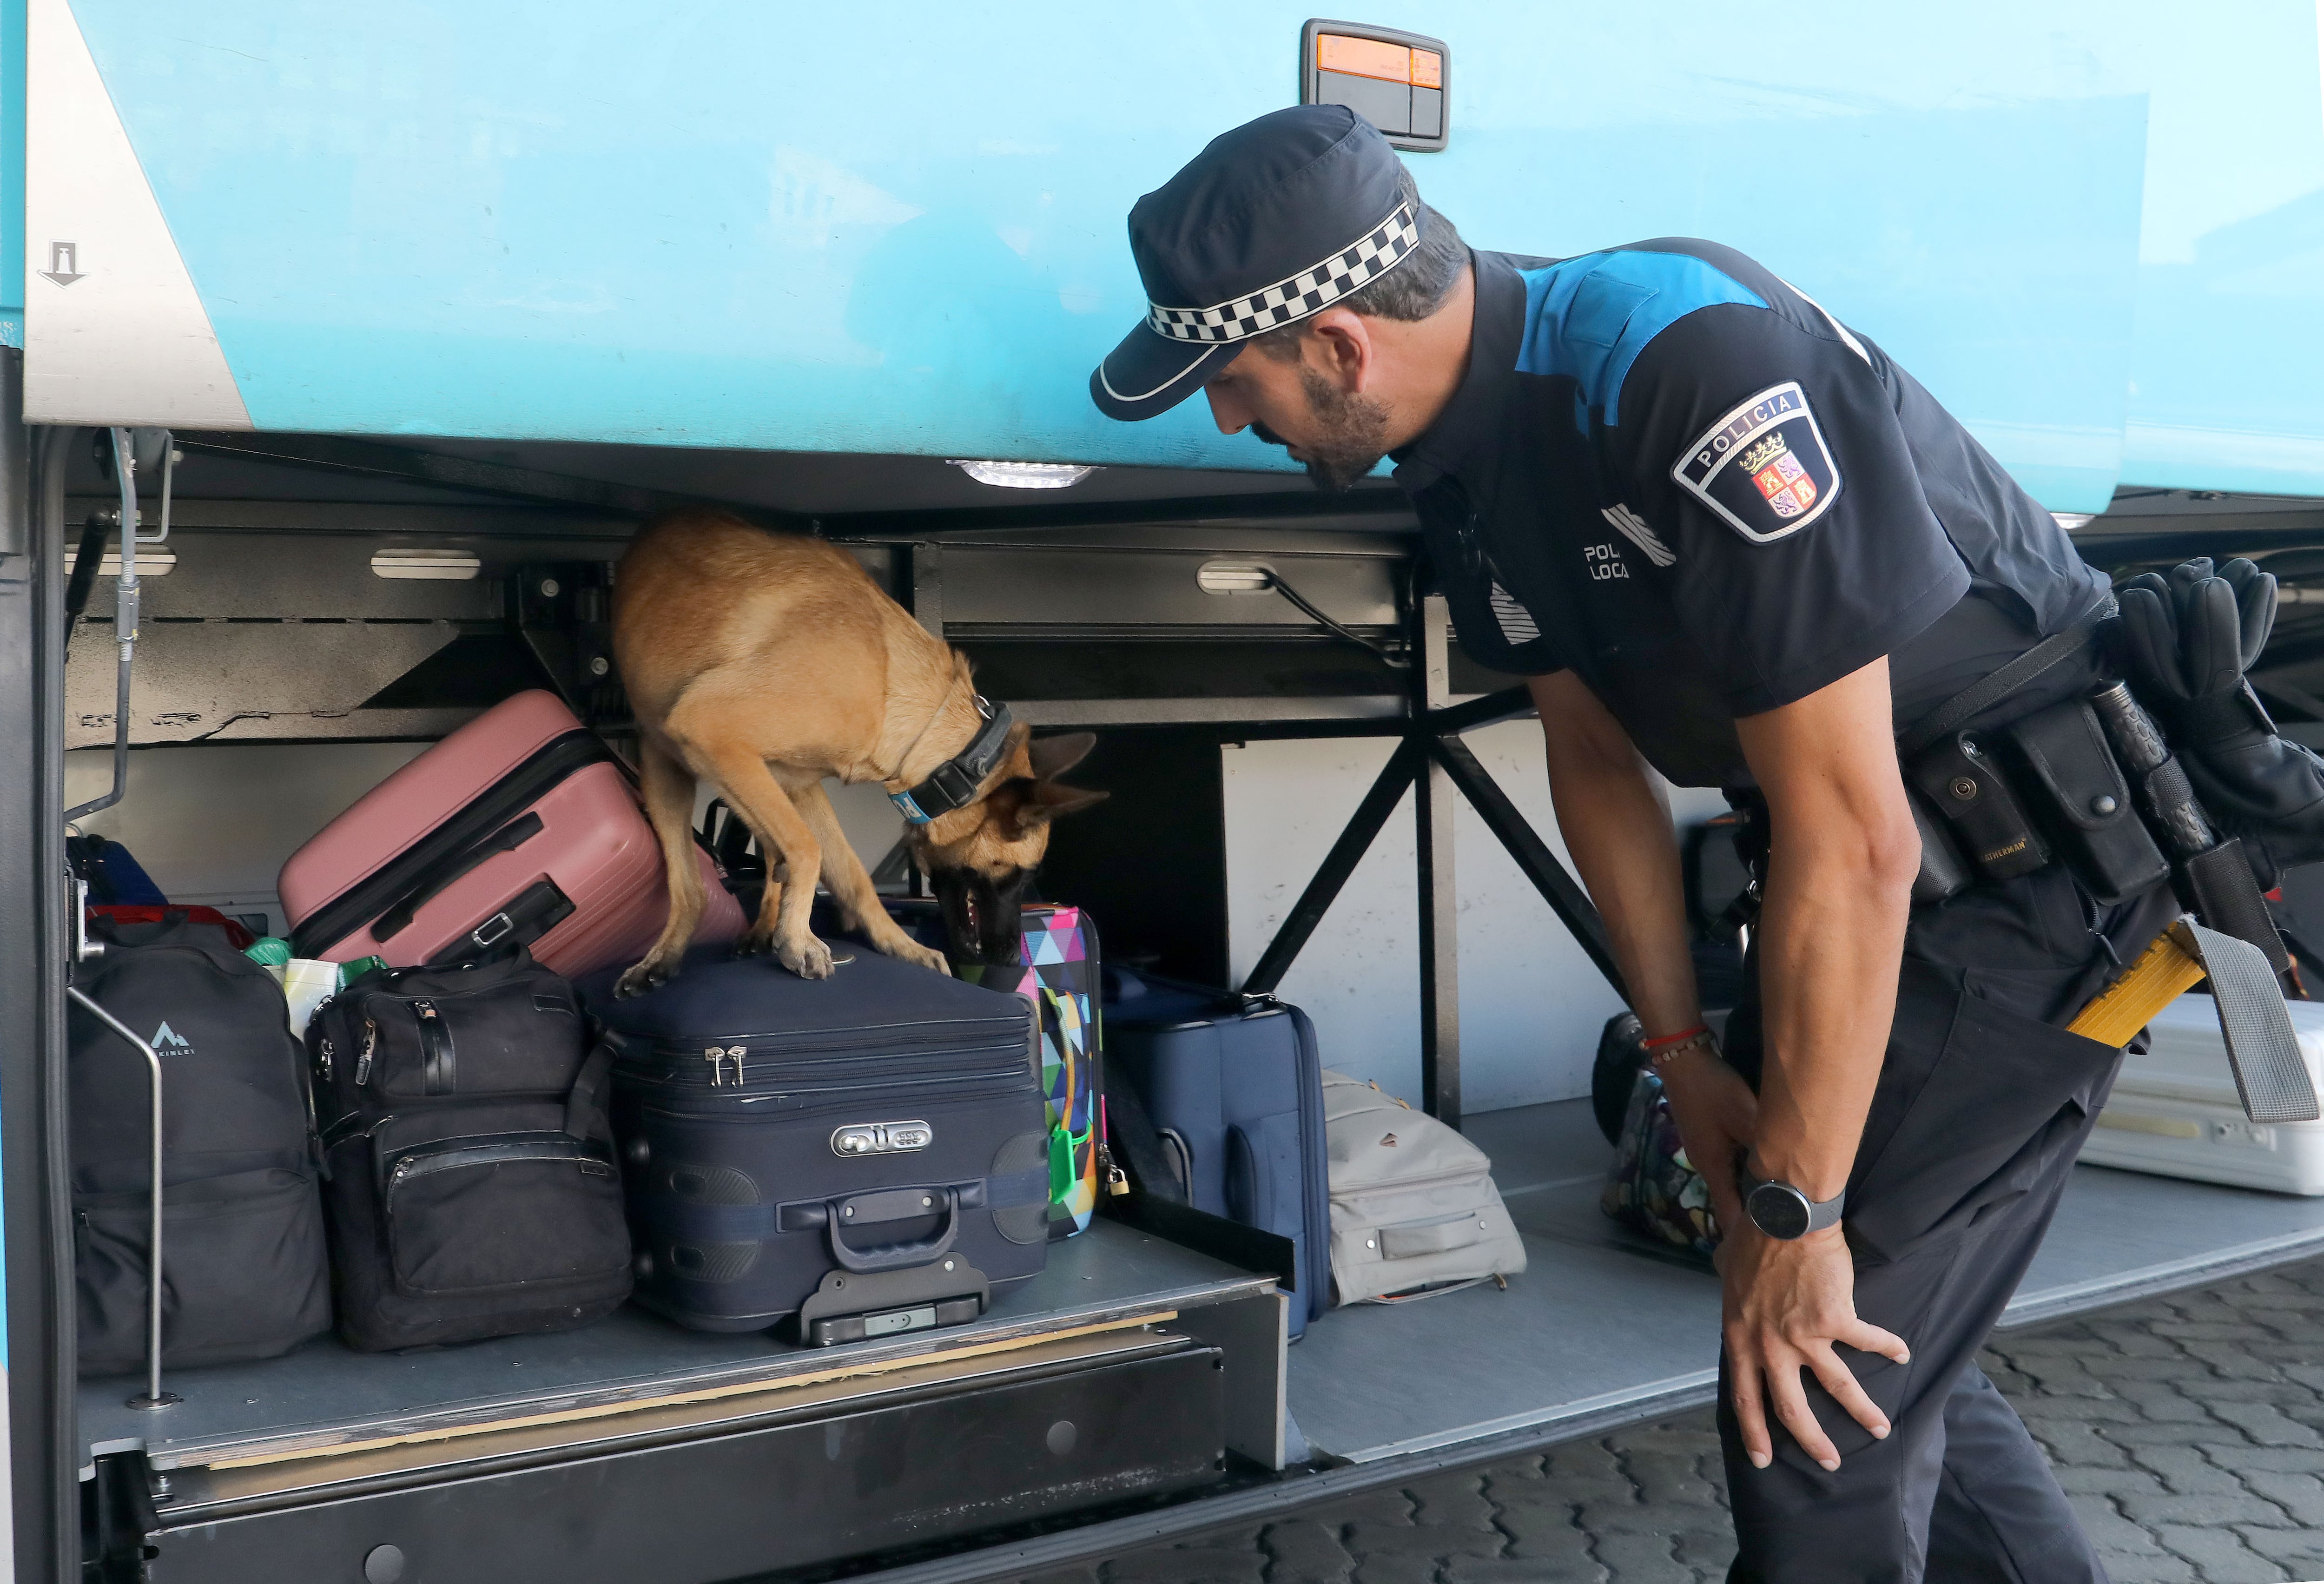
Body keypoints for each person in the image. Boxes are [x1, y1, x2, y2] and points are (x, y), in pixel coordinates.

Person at [1091, 105, 2177, 1583]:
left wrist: (1796, 1206)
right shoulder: (1457, 447)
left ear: (1340, 344)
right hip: (1876, 884)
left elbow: (1851, 833)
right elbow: (1593, 755)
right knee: (1882, 1353)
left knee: (1805, 1387)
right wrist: (1681, 1059)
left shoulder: (1683, 362)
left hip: (2020, 887)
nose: (1232, 420)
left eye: (1236, 379)